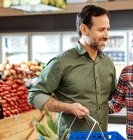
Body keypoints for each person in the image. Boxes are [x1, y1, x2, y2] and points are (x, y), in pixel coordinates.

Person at [28, 5, 116, 135]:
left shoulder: (108, 64)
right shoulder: (62, 62)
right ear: (84, 29)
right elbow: (34, 95)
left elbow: (113, 98)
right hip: (71, 136)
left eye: (108, 29)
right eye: (101, 29)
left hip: (101, 136)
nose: (107, 35)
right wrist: (68, 108)